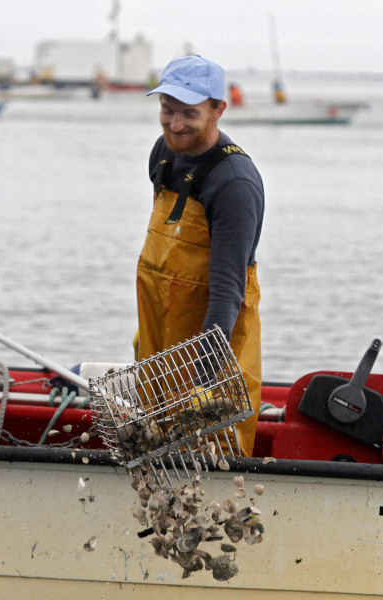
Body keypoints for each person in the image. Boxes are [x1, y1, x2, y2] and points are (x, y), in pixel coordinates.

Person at [137, 55, 264, 456]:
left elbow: (227, 293)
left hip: (213, 349)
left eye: (189, 114)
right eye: (167, 110)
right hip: (160, 343)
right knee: (153, 450)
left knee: (206, 466)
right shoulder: (164, 153)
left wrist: (202, 385)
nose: (175, 125)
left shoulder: (234, 184)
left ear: (217, 110)